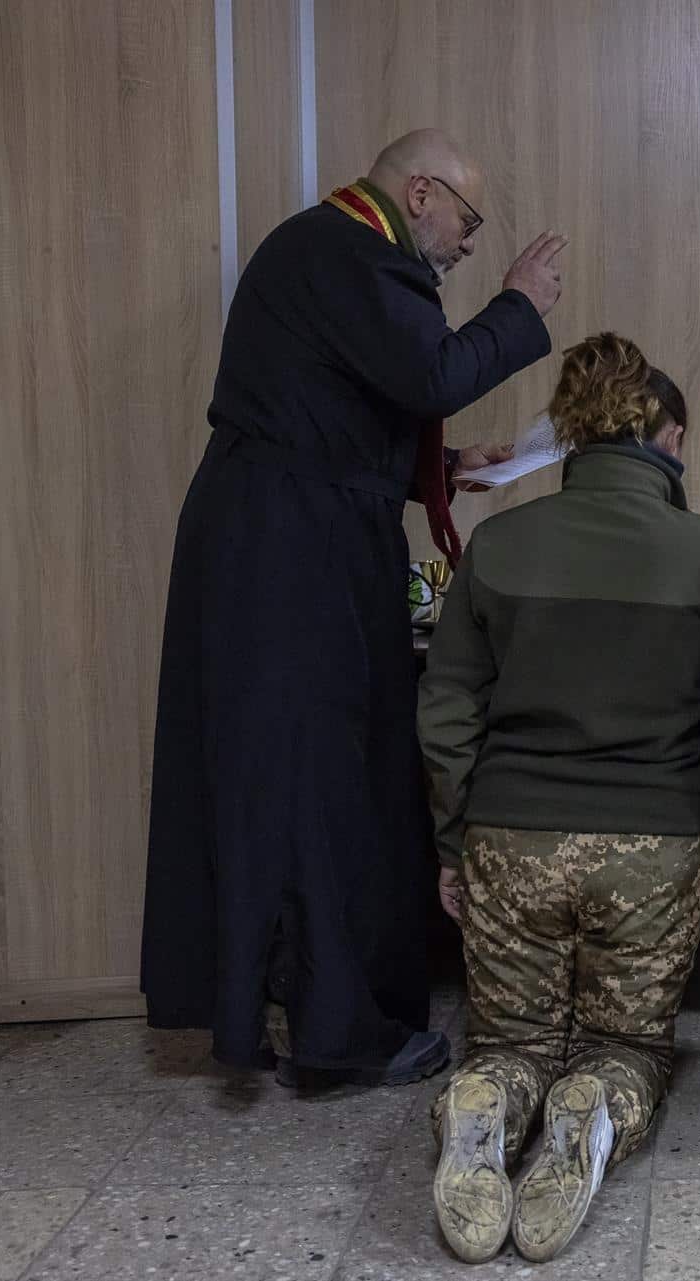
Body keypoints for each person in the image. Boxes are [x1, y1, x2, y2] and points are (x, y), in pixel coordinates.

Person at [140, 128, 566, 1086]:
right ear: (420, 193)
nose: (466, 240)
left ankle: (330, 1012)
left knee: (332, 772)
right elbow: (427, 377)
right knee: (314, 781)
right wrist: (518, 305)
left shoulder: (331, 250)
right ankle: (337, 1037)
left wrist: (449, 467)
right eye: (467, 217)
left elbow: (337, 418)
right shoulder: (345, 248)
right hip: (286, 555)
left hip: (290, 538)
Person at [418, 335, 700, 1263]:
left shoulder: (498, 543)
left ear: (571, 435)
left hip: (512, 837)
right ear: (667, 435)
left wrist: (455, 844)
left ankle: (490, 1104)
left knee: (508, 1037)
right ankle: (595, 1103)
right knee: (627, 1042)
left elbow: (445, 712)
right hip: (654, 845)